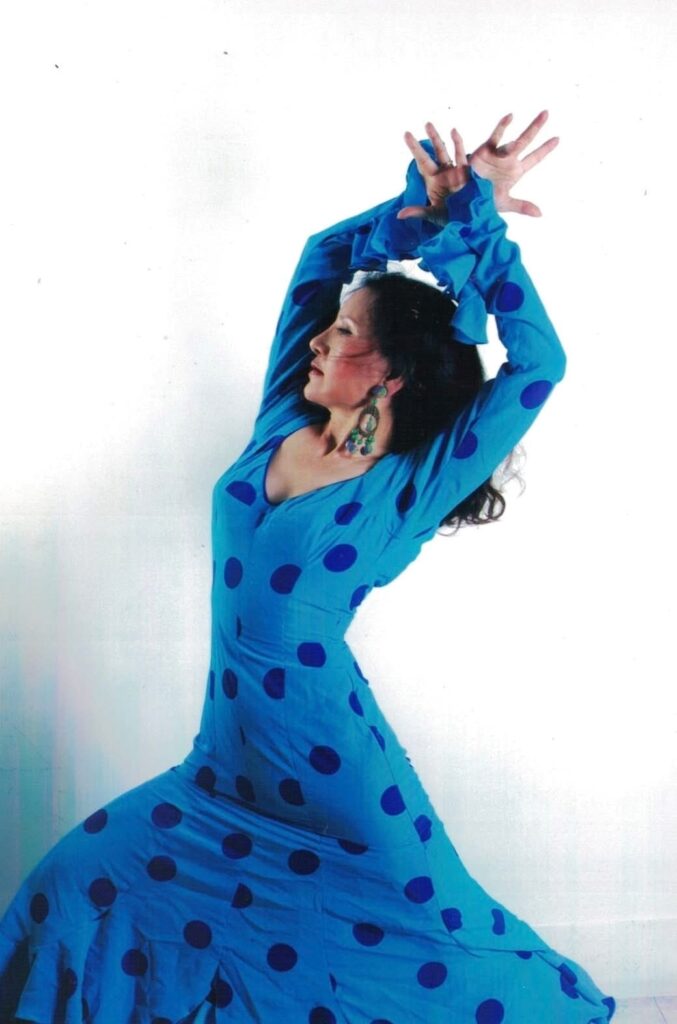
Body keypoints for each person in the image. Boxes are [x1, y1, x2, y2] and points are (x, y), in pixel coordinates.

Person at [0, 112, 617, 1024]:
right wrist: (432, 208)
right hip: (223, 768)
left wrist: (480, 227)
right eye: (327, 330)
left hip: (333, 775)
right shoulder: (279, 424)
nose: (320, 343)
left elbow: (539, 364)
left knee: (437, 944)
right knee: (80, 879)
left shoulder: (408, 484)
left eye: (345, 333)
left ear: (389, 374)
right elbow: (321, 257)